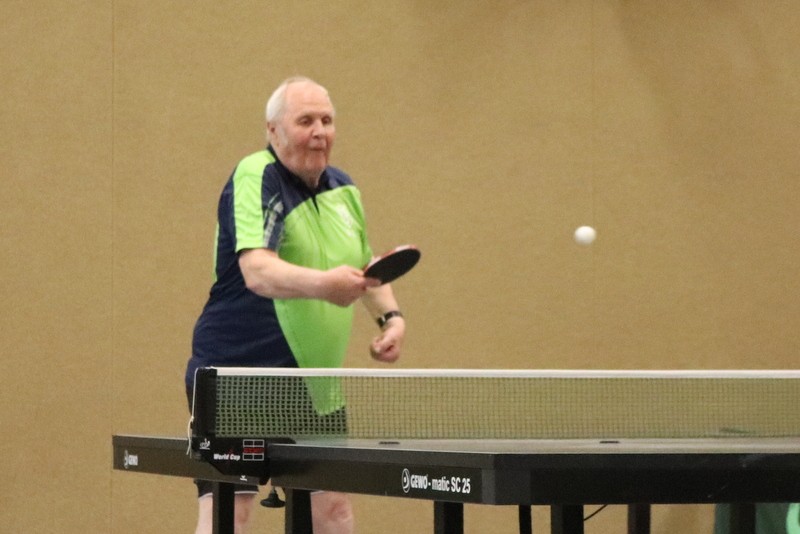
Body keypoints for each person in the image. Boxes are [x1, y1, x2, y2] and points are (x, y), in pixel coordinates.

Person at [184, 76, 406, 534]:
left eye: (327, 120)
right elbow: (257, 270)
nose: (319, 131)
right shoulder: (257, 175)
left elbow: (366, 267)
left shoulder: (343, 188)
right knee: (230, 511)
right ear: (273, 130)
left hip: (314, 390)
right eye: (305, 121)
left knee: (334, 511)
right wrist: (325, 285)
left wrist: (391, 318)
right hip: (240, 379)